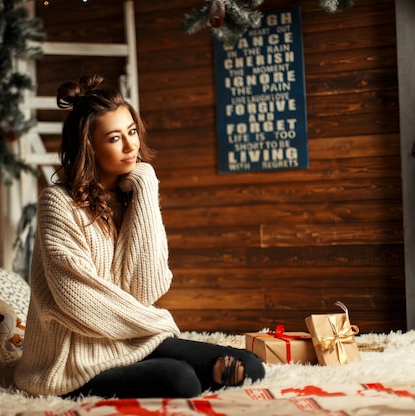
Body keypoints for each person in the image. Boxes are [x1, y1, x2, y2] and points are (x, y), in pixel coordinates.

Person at [14, 74, 265, 399]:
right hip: (70, 360)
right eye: (115, 138)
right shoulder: (58, 203)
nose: (131, 145)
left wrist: (146, 186)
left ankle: (184, 370)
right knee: (180, 379)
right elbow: (77, 299)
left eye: (132, 131)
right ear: (89, 145)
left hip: (128, 338)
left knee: (251, 366)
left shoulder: (132, 193)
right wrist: (156, 325)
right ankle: (186, 374)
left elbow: (147, 288)